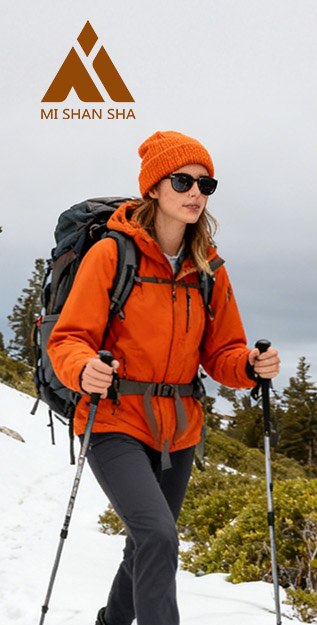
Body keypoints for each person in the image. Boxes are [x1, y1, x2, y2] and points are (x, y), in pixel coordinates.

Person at [47, 130, 280, 625]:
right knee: (156, 536)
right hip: (113, 421)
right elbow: (67, 339)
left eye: (205, 184)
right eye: (183, 181)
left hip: (178, 429)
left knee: (145, 545)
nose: (196, 192)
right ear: (154, 188)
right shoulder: (112, 254)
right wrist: (83, 369)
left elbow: (222, 353)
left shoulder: (208, 267)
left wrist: (248, 367)